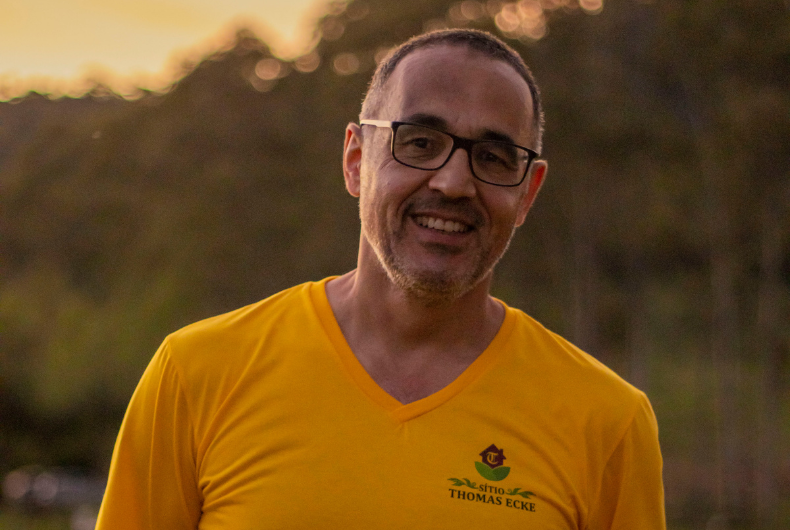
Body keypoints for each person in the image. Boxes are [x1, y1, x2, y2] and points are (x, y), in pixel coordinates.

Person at [96, 29, 665, 529]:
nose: (453, 183)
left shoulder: (606, 422)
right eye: (419, 143)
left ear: (528, 192)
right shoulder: (197, 374)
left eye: (494, 157)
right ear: (355, 159)